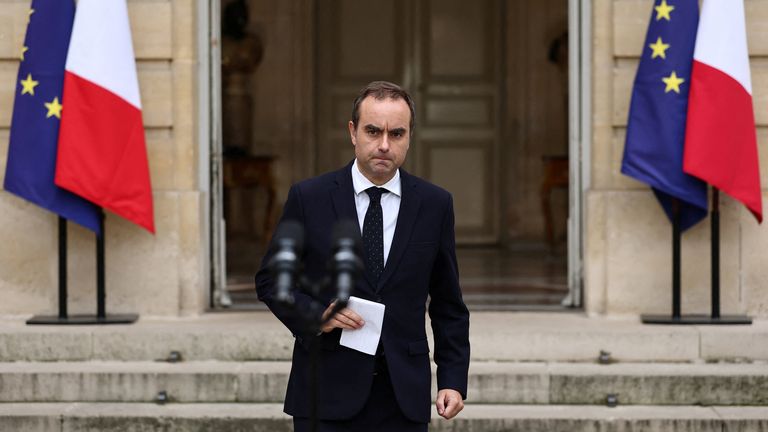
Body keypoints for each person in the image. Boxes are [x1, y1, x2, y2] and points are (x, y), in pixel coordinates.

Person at [255, 81, 470, 431]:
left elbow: (449, 305)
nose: (384, 145)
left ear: (409, 136)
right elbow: (270, 280)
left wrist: (452, 378)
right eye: (373, 131)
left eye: (396, 133)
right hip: (324, 391)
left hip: (403, 397)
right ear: (353, 132)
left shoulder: (435, 205)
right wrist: (315, 316)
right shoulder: (310, 198)